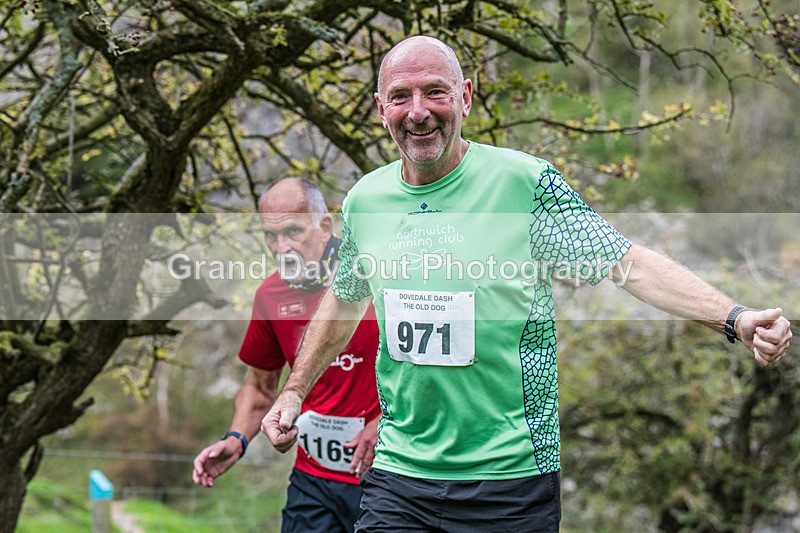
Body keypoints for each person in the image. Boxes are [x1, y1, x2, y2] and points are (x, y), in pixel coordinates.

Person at [261, 37, 793, 532]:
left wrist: (735, 318)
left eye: (435, 92)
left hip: (511, 479)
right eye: (400, 96)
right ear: (382, 109)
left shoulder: (525, 185)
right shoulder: (365, 200)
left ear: (465, 97)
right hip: (400, 475)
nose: (417, 110)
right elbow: (345, 300)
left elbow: (626, 262)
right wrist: (293, 390)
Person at [192, 178, 381, 533]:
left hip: (383, 476)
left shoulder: (374, 276)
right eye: (270, 236)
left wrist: (381, 422)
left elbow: (427, 366)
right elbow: (261, 388)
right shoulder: (271, 296)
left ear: (325, 225)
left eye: (293, 231)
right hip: (314, 479)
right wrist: (236, 439)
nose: (282, 248)